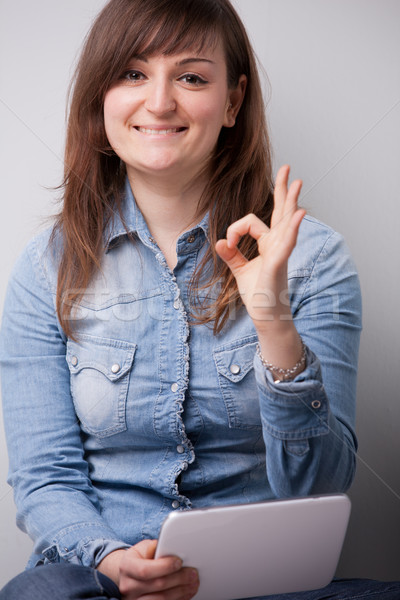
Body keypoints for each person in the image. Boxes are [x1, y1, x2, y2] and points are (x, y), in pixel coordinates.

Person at [0, 1, 399, 599]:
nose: (159, 102)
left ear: (233, 102)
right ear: (100, 96)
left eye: (191, 77)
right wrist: (112, 561)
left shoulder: (314, 260)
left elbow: (318, 486)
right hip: (101, 580)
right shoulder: (45, 267)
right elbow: (45, 478)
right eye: (133, 74)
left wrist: (273, 321)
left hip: (264, 586)